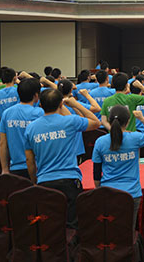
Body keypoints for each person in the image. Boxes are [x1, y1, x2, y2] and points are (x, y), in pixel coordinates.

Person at [24, 89, 101, 229]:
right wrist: (75, 104)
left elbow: (30, 161)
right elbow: (96, 122)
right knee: (72, 226)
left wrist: (35, 182)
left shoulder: (31, 128)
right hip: (69, 181)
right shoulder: (70, 121)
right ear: (61, 104)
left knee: (49, 226)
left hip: (44, 182)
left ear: (40, 105)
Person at [92, 105, 144, 227]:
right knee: (129, 230)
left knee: (110, 229)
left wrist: (100, 189)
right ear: (128, 121)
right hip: (132, 194)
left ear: (109, 121)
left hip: (108, 193)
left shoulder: (100, 142)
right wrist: (142, 119)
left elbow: (96, 173)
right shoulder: (135, 138)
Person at [0, 78, 45, 178]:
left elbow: (3, 143)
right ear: (36, 95)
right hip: (37, 167)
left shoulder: (7, 113)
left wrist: (4, 169)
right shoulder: (40, 113)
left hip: (15, 169)